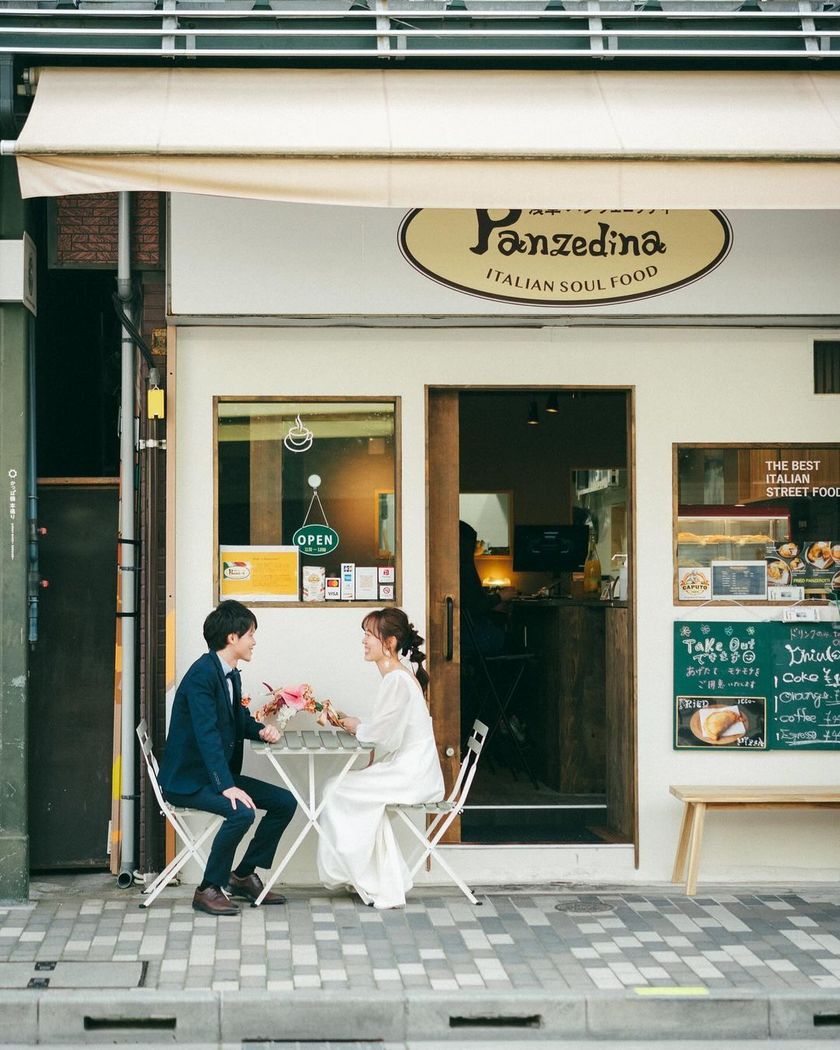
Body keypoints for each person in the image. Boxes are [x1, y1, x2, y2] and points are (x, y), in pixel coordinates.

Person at [158, 600, 297, 916]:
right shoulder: (201, 676)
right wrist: (225, 786)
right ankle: (208, 888)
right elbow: (207, 737)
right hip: (188, 780)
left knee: (285, 803)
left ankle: (242, 875)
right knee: (241, 813)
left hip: (212, 776)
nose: (254, 641)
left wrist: (261, 730)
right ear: (232, 638)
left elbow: (236, 721)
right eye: (250, 634)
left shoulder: (229, 674)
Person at [316, 608, 444, 910]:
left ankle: (368, 877)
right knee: (342, 788)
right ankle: (373, 877)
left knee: (336, 788)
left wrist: (355, 725)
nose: (363, 641)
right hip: (411, 767)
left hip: (412, 774)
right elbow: (387, 729)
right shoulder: (399, 676)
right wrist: (358, 724)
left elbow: (382, 735)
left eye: (369, 635)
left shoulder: (396, 680)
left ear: (390, 642)